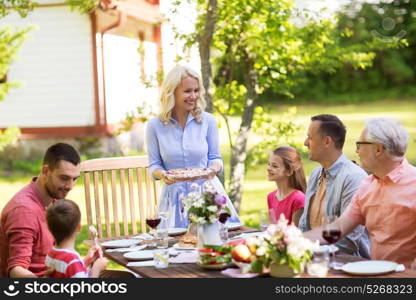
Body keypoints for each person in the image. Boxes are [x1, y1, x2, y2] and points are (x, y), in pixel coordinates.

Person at [305, 118, 416, 266]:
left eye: (360, 145)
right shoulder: (367, 185)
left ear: (378, 149)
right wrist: (291, 240)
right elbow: (337, 229)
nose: (356, 151)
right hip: (375, 274)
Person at [146, 65, 239, 228]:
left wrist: (213, 169)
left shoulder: (207, 121)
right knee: (174, 247)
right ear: (172, 91)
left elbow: (215, 157)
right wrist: (163, 175)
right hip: (174, 198)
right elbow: (154, 165)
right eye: (188, 91)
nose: (194, 96)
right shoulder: (155, 126)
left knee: (216, 244)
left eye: (196, 91)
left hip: (208, 195)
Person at [0, 143, 81, 277]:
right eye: (64, 178)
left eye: (75, 179)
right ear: (45, 171)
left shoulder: (54, 199)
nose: (70, 186)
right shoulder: (23, 211)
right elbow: (16, 270)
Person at [298, 114, 370, 257]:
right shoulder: (315, 174)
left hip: (346, 265)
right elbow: (304, 227)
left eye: (310, 138)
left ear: (327, 141)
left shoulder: (354, 177)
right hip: (312, 258)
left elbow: (347, 242)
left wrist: (300, 247)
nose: (305, 143)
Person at [45, 199, 108, 278]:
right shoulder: (72, 261)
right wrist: (97, 268)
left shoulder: (51, 254)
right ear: (79, 228)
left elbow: (70, 272)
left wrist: (85, 262)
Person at [266, 146, 306, 226]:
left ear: (289, 171)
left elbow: (295, 234)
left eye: (274, 166)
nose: (268, 168)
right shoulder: (270, 197)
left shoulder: (298, 199)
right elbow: (273, 229)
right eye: (269, 164)